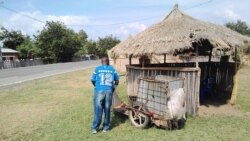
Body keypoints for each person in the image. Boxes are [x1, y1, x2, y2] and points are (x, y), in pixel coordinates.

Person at [90, 57, 119, 134]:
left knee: (98, 109)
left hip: (99, 90)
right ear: (108, 62)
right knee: (107, 109)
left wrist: (97, 86)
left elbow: (92, 80)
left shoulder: (97, 69)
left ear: (101, 62)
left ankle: (95, 128)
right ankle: (106, 128)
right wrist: (113, 88)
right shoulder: (112, 69)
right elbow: (117, 80)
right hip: (109, 91)